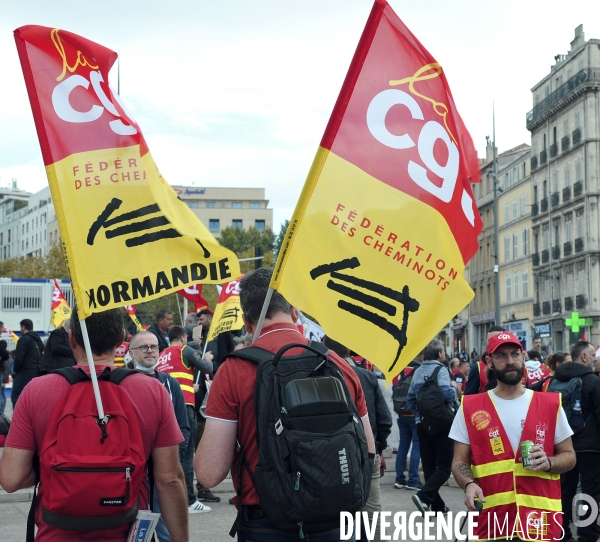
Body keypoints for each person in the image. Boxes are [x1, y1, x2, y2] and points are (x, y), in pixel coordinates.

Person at [195, 268, 375, 541]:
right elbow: (369, 451)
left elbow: (208, 474)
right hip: (339, 519)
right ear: (294, 311)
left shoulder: (233, 370)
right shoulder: (338, 365)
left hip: (267, 521)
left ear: (246, 323)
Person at [0, 306, 189, 542]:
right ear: (121, 339)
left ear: (71, 338)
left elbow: (10, 478)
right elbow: (170, 480)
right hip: (128, 530)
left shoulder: (37, 391)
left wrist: (52, 470)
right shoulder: (153, 391)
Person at [450, 330, 575, 542]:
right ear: (489, 362)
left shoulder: (550, 404)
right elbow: (459, 461)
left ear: (523, 356)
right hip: (492, 521)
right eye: (501, 356)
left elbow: (569, 456)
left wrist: (550, 462)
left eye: (515, 354)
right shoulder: (470, 407)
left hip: (541, 520)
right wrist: (469, 484)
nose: (510, 361)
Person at [324, 335, 392, 542]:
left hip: (334, 455)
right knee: (372, 510)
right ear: (350, 351)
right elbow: (384, 420)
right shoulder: (367, 377)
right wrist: (379, 449)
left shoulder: (320, 374)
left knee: (340, 510)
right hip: (368, 452)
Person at [129, 331, 190, 542]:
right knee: (134, 533)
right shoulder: (121, 384)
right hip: (135, 475)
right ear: (131, 353)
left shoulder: (170, 384)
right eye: (143, 347)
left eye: (154, 347)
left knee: (166, 532)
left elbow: (183, 426)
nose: (150, 351)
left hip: (164, 474)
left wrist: (172, 459)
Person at [156, 325, 213, 513]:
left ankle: (169, 499)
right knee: (187, 456)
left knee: (170, 455)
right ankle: (189, 501)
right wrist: (207, 359)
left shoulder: (161, 354)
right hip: (185, 408)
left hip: (164, 409)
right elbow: (206, 368)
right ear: (182, 338)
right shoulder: (184, 350)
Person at [552, 340, 600, 542]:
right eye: (593, 355)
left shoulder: (557, 379)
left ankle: (562, 532)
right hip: (590, 446)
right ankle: (587, 534)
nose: (595, 359)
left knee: (566, 490)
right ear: (584, 357)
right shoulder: (593, 381)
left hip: (564, 444)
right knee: (590, 492)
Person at [406, 339, 458, 514]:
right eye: (443, 350)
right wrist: (454, 388)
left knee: (429, 466)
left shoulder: (418, 371)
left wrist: (422, 415)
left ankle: (437, 506)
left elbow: (410, 399)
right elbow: (447, 395)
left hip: (422, 425)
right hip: (442, 425)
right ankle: (423, 497)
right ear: (439, 354)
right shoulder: (441, 370)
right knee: (445, 465)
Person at [393, 352, 423, 491]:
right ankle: (413, 480)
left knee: (403, 445)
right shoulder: (418, 370)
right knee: (416, 445)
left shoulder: (398, 370)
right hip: (414, 412)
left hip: (401, 412)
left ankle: (399, 479)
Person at [11, 318, 44, 408]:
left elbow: (19, 358)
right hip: (36, 373)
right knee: (32, 399)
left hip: (24, 374)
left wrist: (16, 371)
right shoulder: (38, 340)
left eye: (21, 327)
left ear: (23, 327)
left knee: (17, 397)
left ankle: (19, 420)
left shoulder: (24, 339)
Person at [0, 339, 9, 414]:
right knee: (2, 395)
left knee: (2, 395)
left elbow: (7, 368)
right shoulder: (8, 355)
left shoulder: (5, 357)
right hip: (4, 377)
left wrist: (4, 381)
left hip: (3, 377)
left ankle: (1, 411)